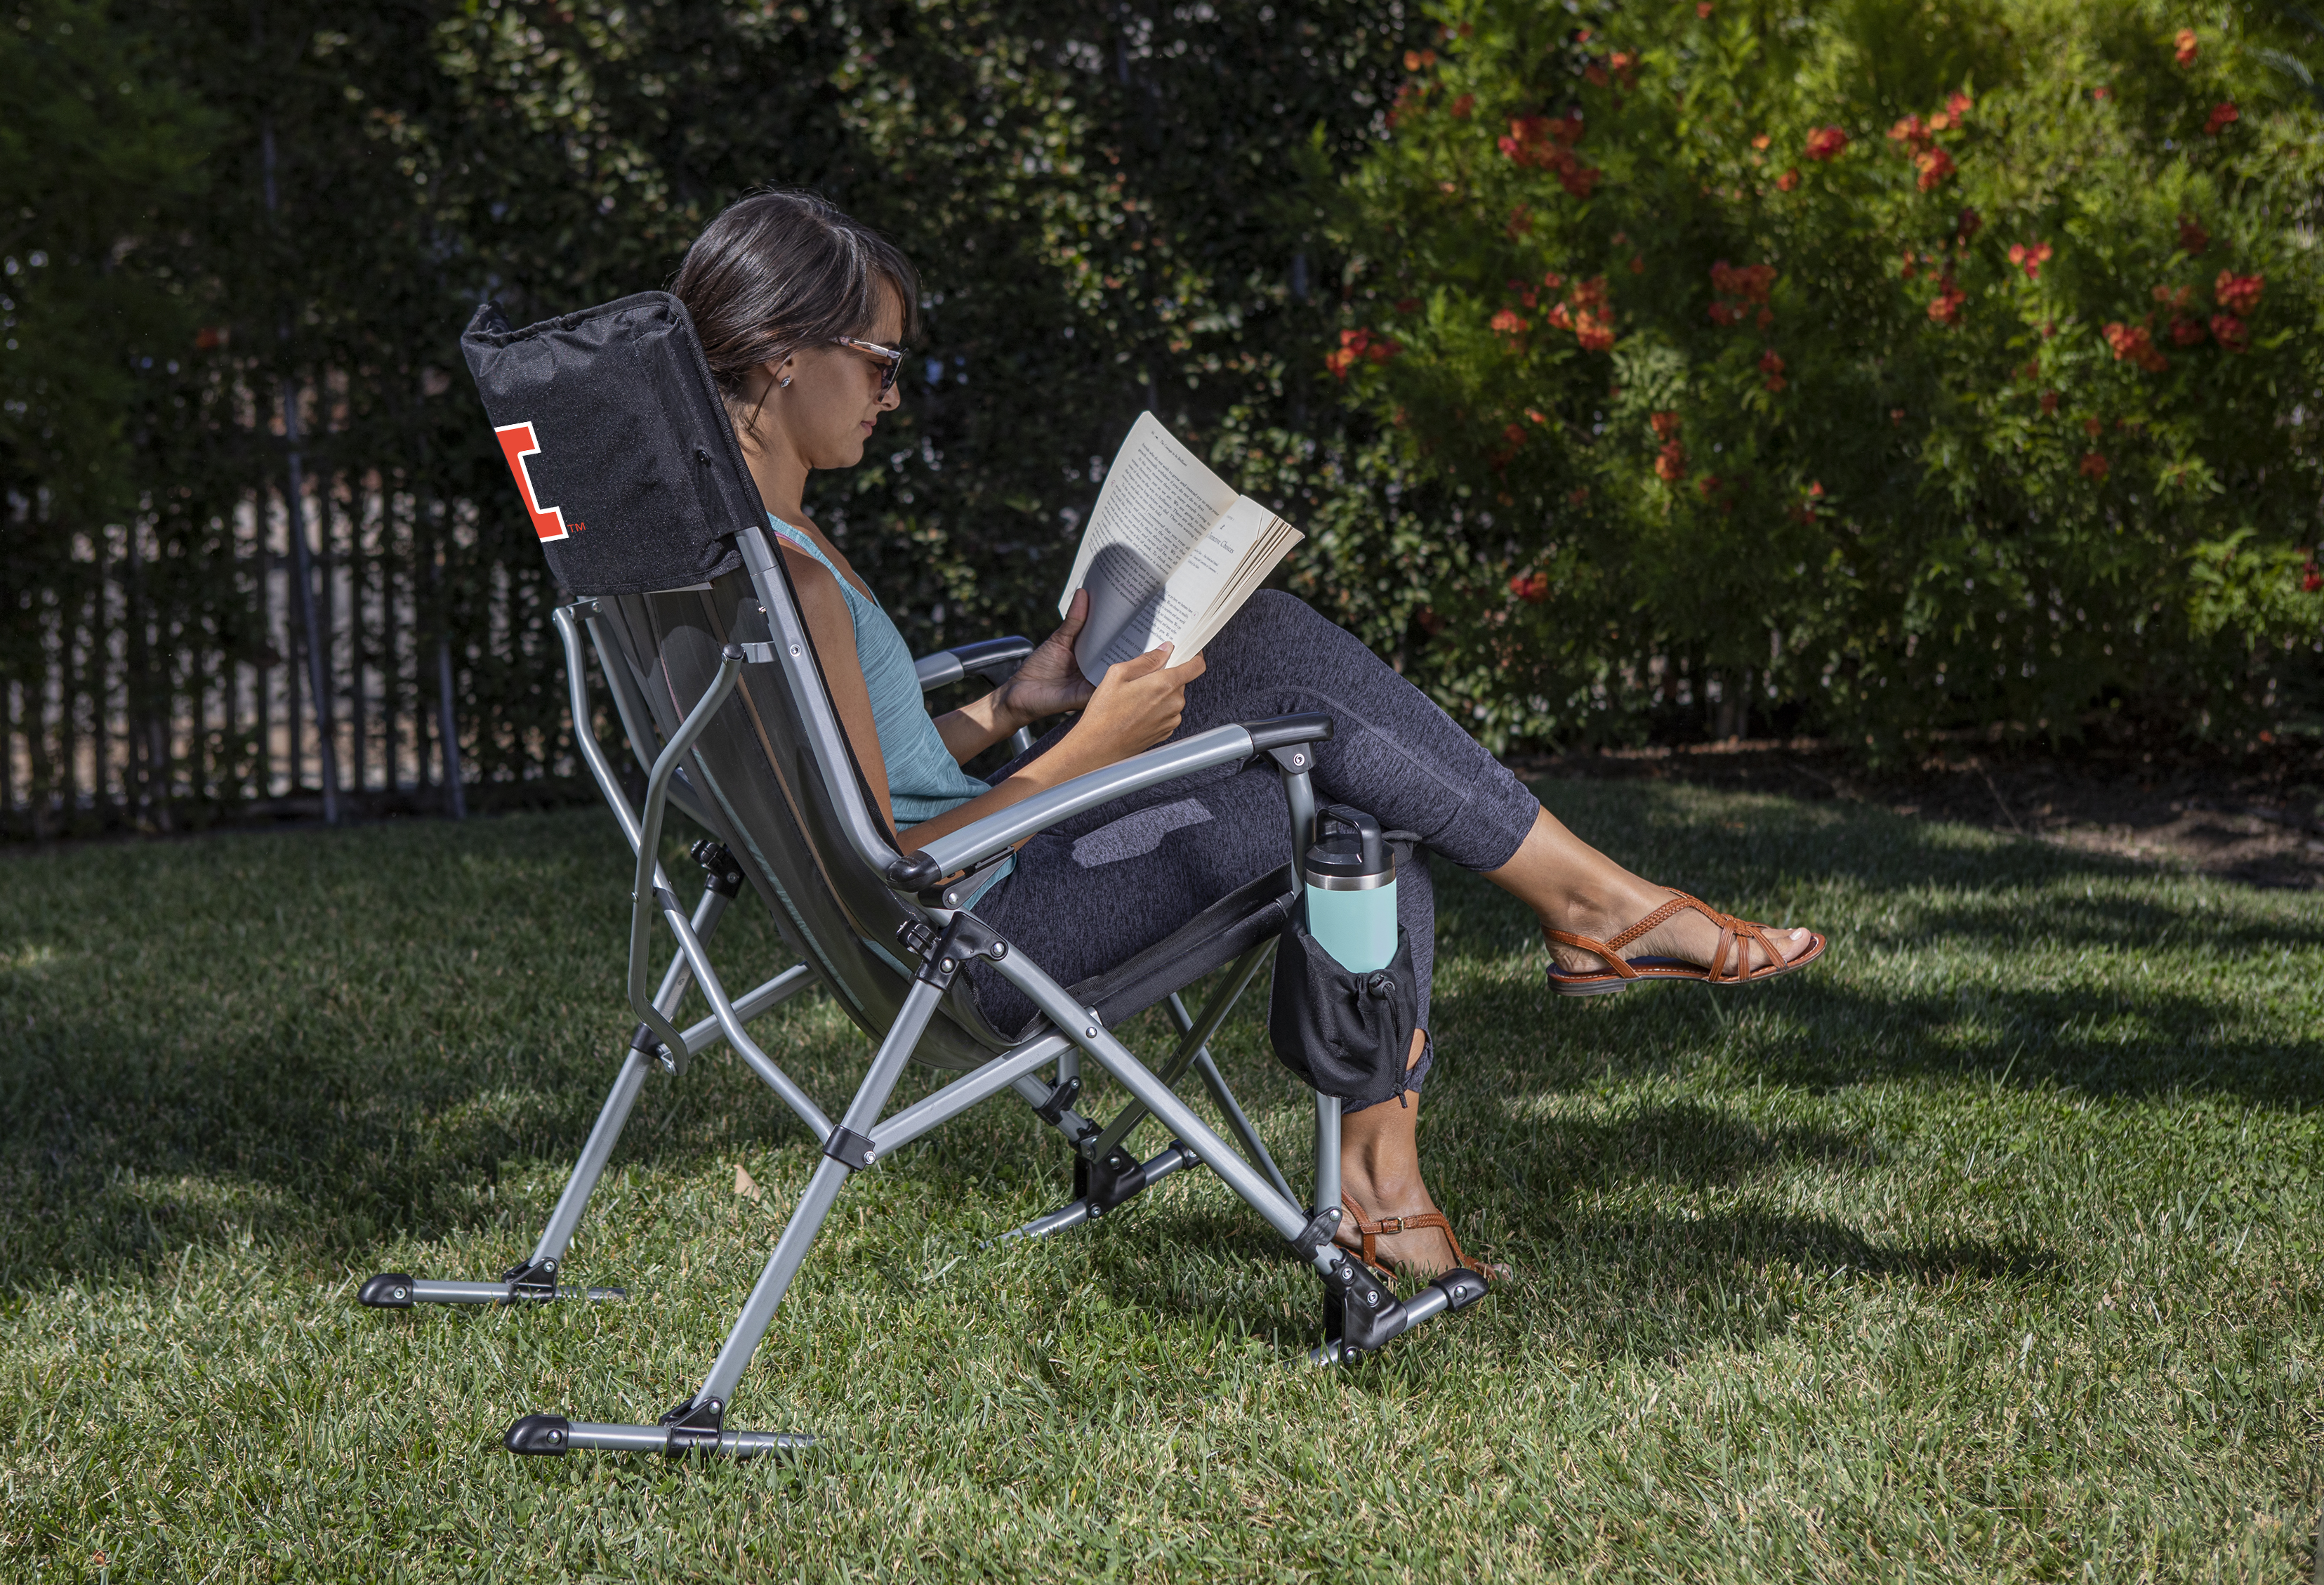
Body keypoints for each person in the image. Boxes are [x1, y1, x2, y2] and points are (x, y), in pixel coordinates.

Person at [672, 191, 1824, 1282]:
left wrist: (1021, 707)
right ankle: (1532, 994)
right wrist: (1093, 749)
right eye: (879, 361)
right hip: (984, 942)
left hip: (959, 913)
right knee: (1342, 777)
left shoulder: (741, 559)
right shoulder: (792, 583)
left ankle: (1490, 1051)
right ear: (783, 353)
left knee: (1305, 705)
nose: (894, 392)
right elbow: (888, 864)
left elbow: (862, 780)